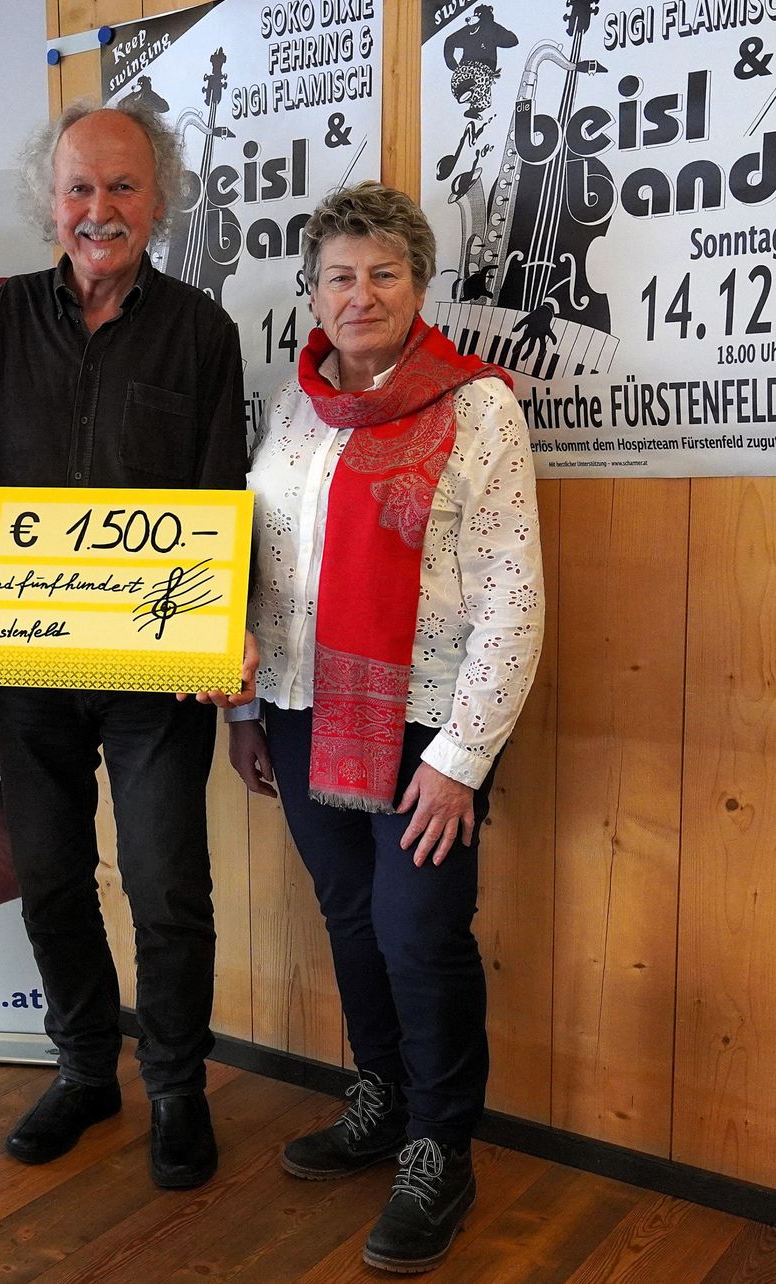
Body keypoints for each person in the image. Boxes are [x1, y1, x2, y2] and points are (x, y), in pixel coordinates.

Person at [0, 99, 250, 1189]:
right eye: (79, 188)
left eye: (121, 188)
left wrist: (228, 639)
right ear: (50, 201)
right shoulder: (6, 318)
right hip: (21, 671)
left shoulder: (201, 331)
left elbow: (221, 498)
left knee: (169, 887)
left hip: (155, 674)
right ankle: (83, 1067)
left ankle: (175, 1086)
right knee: (53, 877)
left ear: (158, 200)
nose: (98, 210)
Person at [226, 183, 543, 1274]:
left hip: (425, 727)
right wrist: (244, 708)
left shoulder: (477, 405)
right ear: (312, 292)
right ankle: (384, 1097)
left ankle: (439, 1148)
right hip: (303, 712)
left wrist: (461, 761)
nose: (359, 295)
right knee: (353, 919)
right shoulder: (294, 402)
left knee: (420, 932)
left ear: (419, 285)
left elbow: (514, 594)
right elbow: (262, 564)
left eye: (383, 273)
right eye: (338, 276)